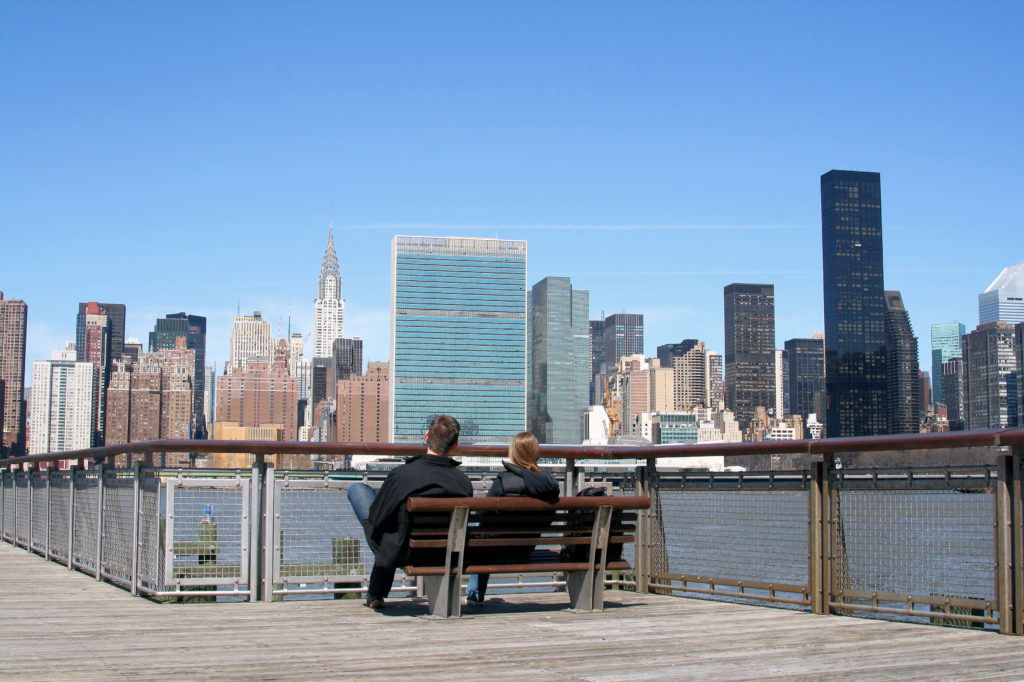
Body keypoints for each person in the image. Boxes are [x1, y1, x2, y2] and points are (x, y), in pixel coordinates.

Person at [347, 414, 473, 610]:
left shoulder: (402, 475)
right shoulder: (463, 483)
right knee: (392, 526)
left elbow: (377, 518)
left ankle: (376, 593)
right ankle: (376, 593)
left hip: (402, 552)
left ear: (426, 437)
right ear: (455, 444)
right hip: (444, 553)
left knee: (358, 491)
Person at [465, 431, 559, 606]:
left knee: (481, 529)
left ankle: (475, 594)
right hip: (525, 549)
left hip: (495, 552)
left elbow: (483, 514)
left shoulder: (503, 482)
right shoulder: (549, 485)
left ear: (513, 453)